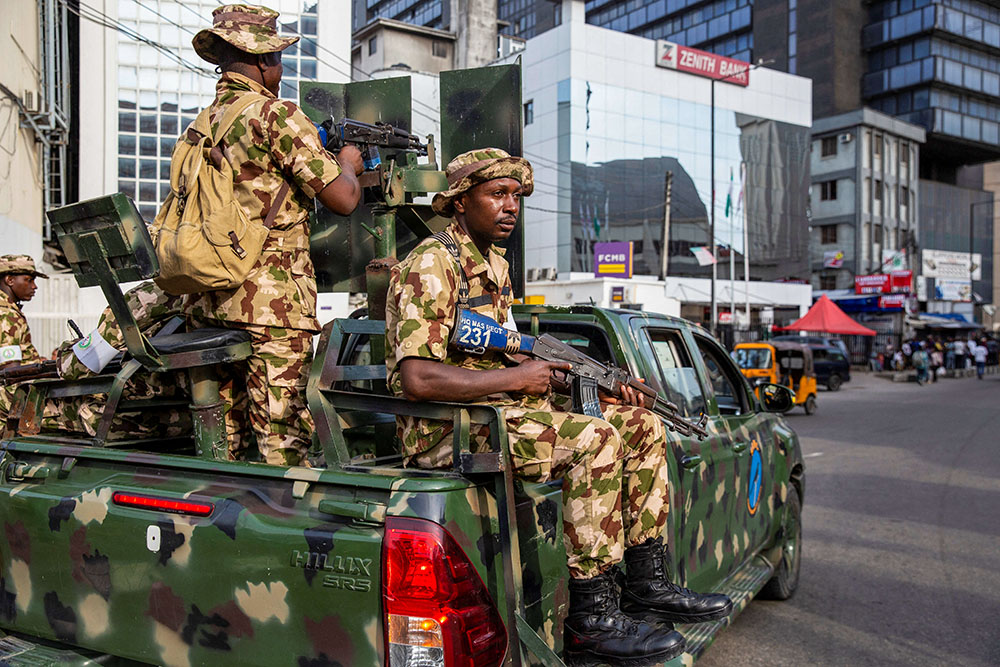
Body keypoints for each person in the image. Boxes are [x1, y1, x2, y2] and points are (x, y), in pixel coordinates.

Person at [386, 148, 732, 665]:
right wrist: (519, 377)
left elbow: (505, 358)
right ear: (459, 202)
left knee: (637, 423)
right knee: (595, 439)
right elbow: (416, 378)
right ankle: (590, 620)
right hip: (447, 430)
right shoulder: (432, 264)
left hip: (495, 413)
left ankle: (645, 581)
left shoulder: (493, 266)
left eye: (516, 197)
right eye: (496, 194)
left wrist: (597, 386)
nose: (510, 207)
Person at [181, 4, 364, 466]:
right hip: (272, 310)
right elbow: (343, 199)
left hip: (207, 301)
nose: (279, 71)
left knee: (224, 447)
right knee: (285, 448)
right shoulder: (274, 114)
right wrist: (348, 164)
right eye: (277, 60)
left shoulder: (201, 126)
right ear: (264, 60)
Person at [0, 255, 47, 423]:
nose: (34, 287)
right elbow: (11, 371)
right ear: (10, 280)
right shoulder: (7, 316)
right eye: (28, 280)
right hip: (10, 399)